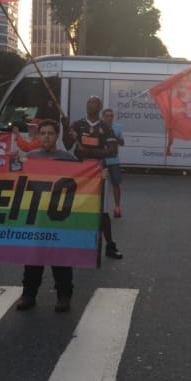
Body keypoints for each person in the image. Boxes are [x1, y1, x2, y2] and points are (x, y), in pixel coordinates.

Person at [16, 118, 78, 313]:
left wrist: (99, 176)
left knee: (61, 258)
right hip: (37, 217)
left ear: (57, 136)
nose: (46, 137)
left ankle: (64, 296)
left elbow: (83, 179)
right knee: (33, 258)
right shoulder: (31, 157)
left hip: (59, 218)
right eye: (43, 133)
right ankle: (28, 295)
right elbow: (15, 176)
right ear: (38, 136)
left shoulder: (67, 158)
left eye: (50, 133)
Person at [62, 95, 123, 259]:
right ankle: (76, 244)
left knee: (102, 211)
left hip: (98, 171)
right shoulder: (78, 125)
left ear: (100, 107)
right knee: (77, 207)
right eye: (89, 102)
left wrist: (89, 152)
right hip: (80, 172)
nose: (91, 104)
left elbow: (112, 151)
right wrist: (64, 126)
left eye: (94, 102)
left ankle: (110, 246)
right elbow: (68, 144)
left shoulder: (105, 127)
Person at [101, 108, 125, 217]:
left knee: (116, 184)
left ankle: (117, 207)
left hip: (114, 161)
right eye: (107, 115)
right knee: (99, 186)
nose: (109, 117)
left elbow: (122, 143)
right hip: (102, 160)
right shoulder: (99, 127)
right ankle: (99, 208)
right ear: (103, 117)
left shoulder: (117, 127)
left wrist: (114, 136)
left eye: (111, 115)